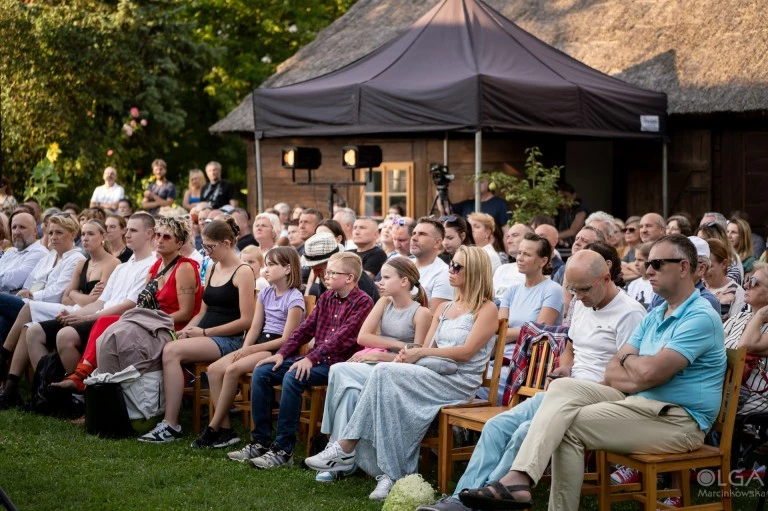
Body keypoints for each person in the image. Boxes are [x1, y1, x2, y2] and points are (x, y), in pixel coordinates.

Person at [459, 234, 726, 511]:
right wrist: (637, 364)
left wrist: (633, 361)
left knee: (562, 425)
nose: (648, 271)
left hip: (679, 422)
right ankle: (519, 478)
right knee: (561, 389)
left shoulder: (699, 317)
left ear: (684, 268)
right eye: (648, 263)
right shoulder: (656, 315)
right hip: (641, 406)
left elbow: (649, 374)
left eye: (657, 264)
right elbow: (613, 369)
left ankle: (519, 480)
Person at [420, 250, 646, 511]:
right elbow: (570, 344)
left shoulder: (630, 313)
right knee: (497, 426)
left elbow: (627, 375)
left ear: (606, 278)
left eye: (583, 290)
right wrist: (565, 367)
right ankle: (462, 499)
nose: (577, 297)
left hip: (599, 397)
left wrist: (575, 384)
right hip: (563, 390)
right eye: (572, 289)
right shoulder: (581, 303)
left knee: (523, 433)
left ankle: (491, 500)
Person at [304, 246, 498, 501]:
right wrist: (410, 354)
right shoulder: (444, 308)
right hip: (434, 373)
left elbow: (466, 353)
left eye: (457, 267)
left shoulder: (486, 309)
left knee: (384, 373)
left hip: (459, 382)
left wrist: (417, 355)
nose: (450, 270)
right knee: (382, 379)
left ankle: (347, 446)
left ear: (474, 272)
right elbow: (425, 349)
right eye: (451, 265)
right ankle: (389, 472)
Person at [228, 252, 373, 468]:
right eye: (328, 272)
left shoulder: (363, 302)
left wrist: (311, 358)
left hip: (338, 366)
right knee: (263, 371)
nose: (327, 276)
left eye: (333, 272)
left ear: (349, 278)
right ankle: (260, 442)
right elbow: (304, 330)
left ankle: (283, 451)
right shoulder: (326, 298)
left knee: (293, 376)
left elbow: (341, 338)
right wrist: (282, 353)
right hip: (315, 359)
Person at [0, 213, 157, 405]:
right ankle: (49, 392)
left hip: (117, 322)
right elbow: (99, 302)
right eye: (128, 229)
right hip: (97, 315)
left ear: (149, 234)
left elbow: (128, 305)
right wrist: (75, 314)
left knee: (64, 335)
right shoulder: (123, 267)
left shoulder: (151, 266)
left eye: (133, 230)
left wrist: (83, 317)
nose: (128, 234)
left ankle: (79, 397)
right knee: (34, 331)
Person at [313, 256, 432, 482]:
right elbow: (364, 336)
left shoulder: (421, 313)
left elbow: (417, 355)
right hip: (378, 363)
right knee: (348, 391)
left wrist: (382, 353)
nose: (379, 282)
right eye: (380, 277)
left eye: (386, 278)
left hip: (398, 370)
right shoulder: (383, 303)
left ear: (404, 281)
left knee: (339, 370)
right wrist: (397, 346)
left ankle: (334, 446)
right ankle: (340, 457)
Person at [52, 216, 202, 391]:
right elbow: (144, 303)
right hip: (150, 322)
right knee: (107, 327)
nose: (160, 240)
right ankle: (86, 381)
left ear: (180, 243)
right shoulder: (155, 268)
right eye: (158, 235)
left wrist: (147, 320)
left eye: (167, 237)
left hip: (172, 326)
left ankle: (87, 382)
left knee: (113, 330)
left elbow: (186, 313)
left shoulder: (184, 267)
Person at [137, 217, 254, 443]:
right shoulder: (212, 268)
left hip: (229, 340)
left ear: (227, 244)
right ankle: (162, 415)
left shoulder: (243, 271)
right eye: (204, 246)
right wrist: (187, 330)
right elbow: (201, 312)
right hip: (207, 335)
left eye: (210, 247)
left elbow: (246, 321)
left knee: (171, 352)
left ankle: (171, 424)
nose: (206, 252)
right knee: (165, 344)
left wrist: (203, 333)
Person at [192, 247, 304, 449]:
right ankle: (225, 429)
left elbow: (288, 339)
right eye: (266, 264)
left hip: (276, 348)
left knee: (233, 369)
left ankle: (213, 426)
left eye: (272, 265)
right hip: (259, 343)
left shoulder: (295, 298)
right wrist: (244, 348)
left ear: (288, 269)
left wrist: (250, 351)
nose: (266, 270)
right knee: (214, 369)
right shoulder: (265, 294)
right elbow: (254, 328)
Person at [486, 233, 564, 402]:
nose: (520, 258)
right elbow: (499, 329)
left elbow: (539, 333)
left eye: (527, 254)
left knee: (474, 384)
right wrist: (521, 331)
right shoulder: (512, 290)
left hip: (530, 367)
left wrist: (508, 334)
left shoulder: (552, 290)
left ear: (543, 261)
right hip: (501, 361)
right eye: (519, 253)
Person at [0, 213, 85, 345]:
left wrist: (32, 294)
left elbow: (58, 292)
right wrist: (28, 292)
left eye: (59, 232)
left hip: (48, 308)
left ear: (73, 234)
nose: (53, 237)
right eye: (50, 233)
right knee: (2, 321)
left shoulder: (76, 259)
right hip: (27, 303)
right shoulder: (48, 257)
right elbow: (28, 283)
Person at [723, 264, 768, 415]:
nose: (746, 284)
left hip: (753, 396)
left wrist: (761, 315)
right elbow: (713, 346)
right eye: (748, 279)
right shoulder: (739, 317)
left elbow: (745, 346)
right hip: (724, 387)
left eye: (754, 282)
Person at [0, 210, 49, 293]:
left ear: (35, 231)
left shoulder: (39, 253)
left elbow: (14, 281)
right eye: (14, 227)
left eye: (22, 227)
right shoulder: (10, 251)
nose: (16, 232)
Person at [704, 238, 745, 321]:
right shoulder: (695, 286)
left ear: (724, 264)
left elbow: (735, 328)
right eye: (702, 265)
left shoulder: (737, 293)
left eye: (709, 266)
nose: (703, 271)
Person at [491, 223, 532, 303]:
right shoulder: (502, 269)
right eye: (508, 237)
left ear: (530, 239)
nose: (509, 241)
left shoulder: (536, 269)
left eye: (515, 235)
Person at [554, 183, 588, 248]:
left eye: (565, 197)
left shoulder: (581, 210)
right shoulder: (563, 210)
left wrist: (552, 236)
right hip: (568, 246)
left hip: (582, 247)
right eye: (559, 198)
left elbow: (573, 231)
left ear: (574, 195)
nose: (562, 201)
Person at [626, 242, 655, 309]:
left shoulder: (656, 284)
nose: (636, 263)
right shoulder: (633, 284)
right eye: (635, 259)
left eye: (640, 260)